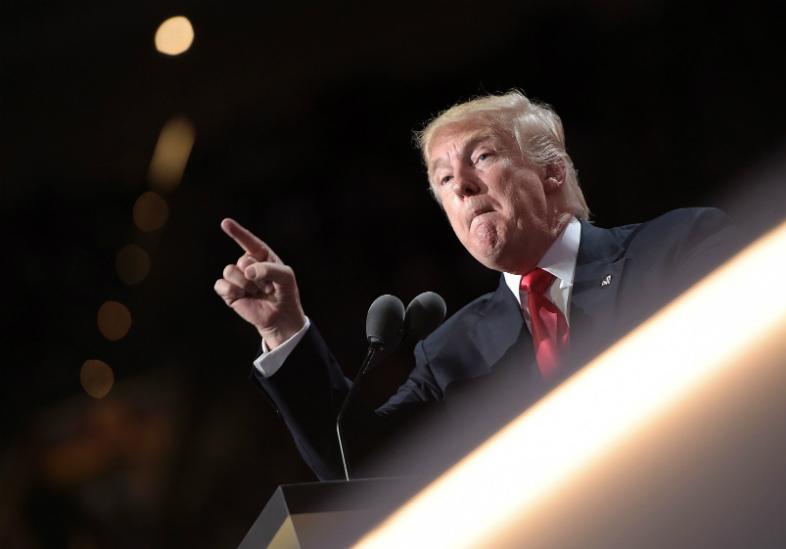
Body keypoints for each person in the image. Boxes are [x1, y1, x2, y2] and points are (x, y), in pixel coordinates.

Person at [214, 91, 738, 480]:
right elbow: (359, 464)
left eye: (481, 157)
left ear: (552, 171)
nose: (461, 186)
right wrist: (285, 329)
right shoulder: (450, 353)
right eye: (443, 179)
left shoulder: (679, 246)